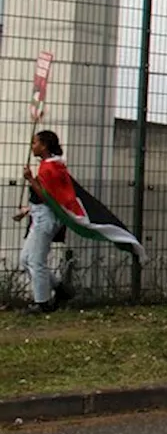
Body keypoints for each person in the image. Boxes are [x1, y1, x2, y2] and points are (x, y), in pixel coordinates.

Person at [17, 130, 72, 315]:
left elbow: (47, 197)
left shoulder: (49, 168)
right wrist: (28, 210)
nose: (32, 146)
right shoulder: (51, 166)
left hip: (45, 218)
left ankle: (43, 302)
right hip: (39, 216)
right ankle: (60, 288)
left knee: (36, 261)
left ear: (44, 145)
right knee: (26, 259)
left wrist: (30, 179)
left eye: (35, 143)